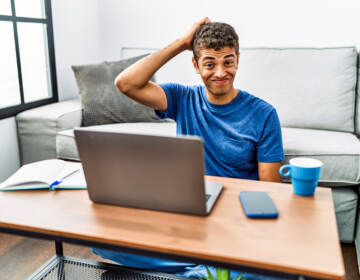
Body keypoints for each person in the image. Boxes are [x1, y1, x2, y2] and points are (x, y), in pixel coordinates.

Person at [93, 18, 285, 279]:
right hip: (188, 213)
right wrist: (182, 43)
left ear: (238, 60)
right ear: (195, 65)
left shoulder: (264, 114)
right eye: (209, 63)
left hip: (234, 220)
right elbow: (126, 83)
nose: (220, 72)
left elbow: (270, 191)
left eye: (228, 61)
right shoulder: (181, 97)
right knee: (101, 241)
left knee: (277, 272)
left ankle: (194, 270)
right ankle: (204, 271)